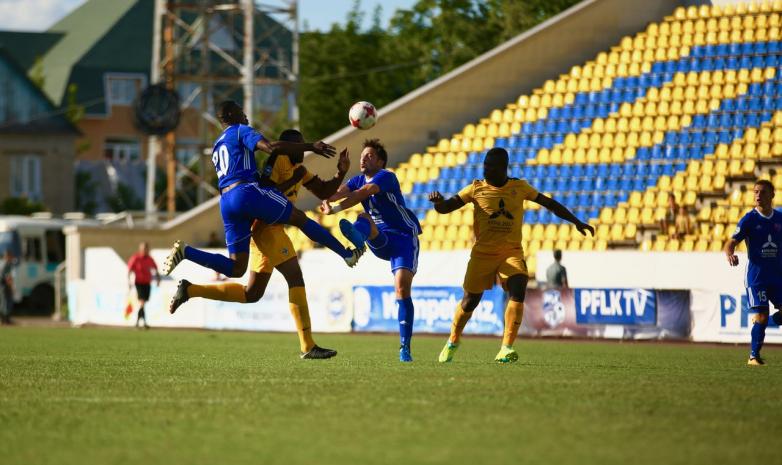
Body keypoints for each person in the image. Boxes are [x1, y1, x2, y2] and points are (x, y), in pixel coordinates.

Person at [169, 129, 350, 359]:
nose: (301, 149)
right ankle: (308, 345)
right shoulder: (277, 160)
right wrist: (293, 180)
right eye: (298, 144)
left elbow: (324, 191)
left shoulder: (300, 169)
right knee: (295, 276)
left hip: (269, 231)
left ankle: (190, 290)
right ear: (289, 146)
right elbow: (263, 191)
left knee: (252, 293)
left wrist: (340, 172)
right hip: (266, 229)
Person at [161, 100, 365, 279]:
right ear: (232, 115)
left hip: (226, 201)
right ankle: (346, 254)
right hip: (245, 192)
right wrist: (311, 147)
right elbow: (270, 147)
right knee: (300, 218)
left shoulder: (217, 143)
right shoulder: (240, 130)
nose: (246, 115)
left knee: (237, 268)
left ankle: (187, 252)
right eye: (241, 111)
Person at [428, 147, 594, 363]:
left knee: (519, 287)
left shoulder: (519, 187)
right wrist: (439, 202)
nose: (485, 169)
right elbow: (447, 207)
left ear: (503, 168)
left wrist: (576, 221)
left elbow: (549, 204)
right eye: (485, 165)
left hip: (511, 252)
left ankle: (506, 348)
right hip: (483, 254)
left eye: (491, 166)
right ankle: (453, 340)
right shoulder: (475, 189)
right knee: (470, 301)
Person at [321, 139, 421, 362]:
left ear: (381, 161)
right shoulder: (356, 179)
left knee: (402, 289)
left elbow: (362, 193)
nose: (363, 158)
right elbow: (341, 192)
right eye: (362, 155)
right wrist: (328, 202)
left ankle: (405, 347)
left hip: (404, 237)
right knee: (364, 217)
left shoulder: (386, 176)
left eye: (370, 156)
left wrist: (335, 207)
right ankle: (359, 239)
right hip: (381, 238)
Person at [725, 179, 782, 366]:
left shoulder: (779, 218)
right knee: (763, 316)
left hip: (777, 276)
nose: (758, 195)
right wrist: (730, 253)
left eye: (763, 192)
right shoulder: (749, 219)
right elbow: (732, 241)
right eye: (755, 192)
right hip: (757, 277)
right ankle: (753, 356)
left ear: (772, 195)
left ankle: (762, 323)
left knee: (764, 319)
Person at [127, 242, 160, 329]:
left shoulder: (149, 259)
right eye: (143, 249)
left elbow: (156, 269)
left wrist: (158, 279)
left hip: (147, 283)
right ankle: (141, 323)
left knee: (144, 303)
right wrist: (129, 282)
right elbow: (129, 270)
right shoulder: (136, 258)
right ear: (140, 249)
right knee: (142, 302)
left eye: (146, 249)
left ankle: (140, 323)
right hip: (139, 283)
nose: (145, 250)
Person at [0, 250, 15, 325]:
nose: (11, 258)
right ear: (7, 256)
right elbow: (7, 277)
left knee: (3, 302)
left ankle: (4, 320)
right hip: (4, 285)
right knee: (6, 302)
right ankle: (6, 320)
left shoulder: (2, 263)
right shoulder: (6, 264)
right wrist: (11, 287)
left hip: (3, 284)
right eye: (10, 256)